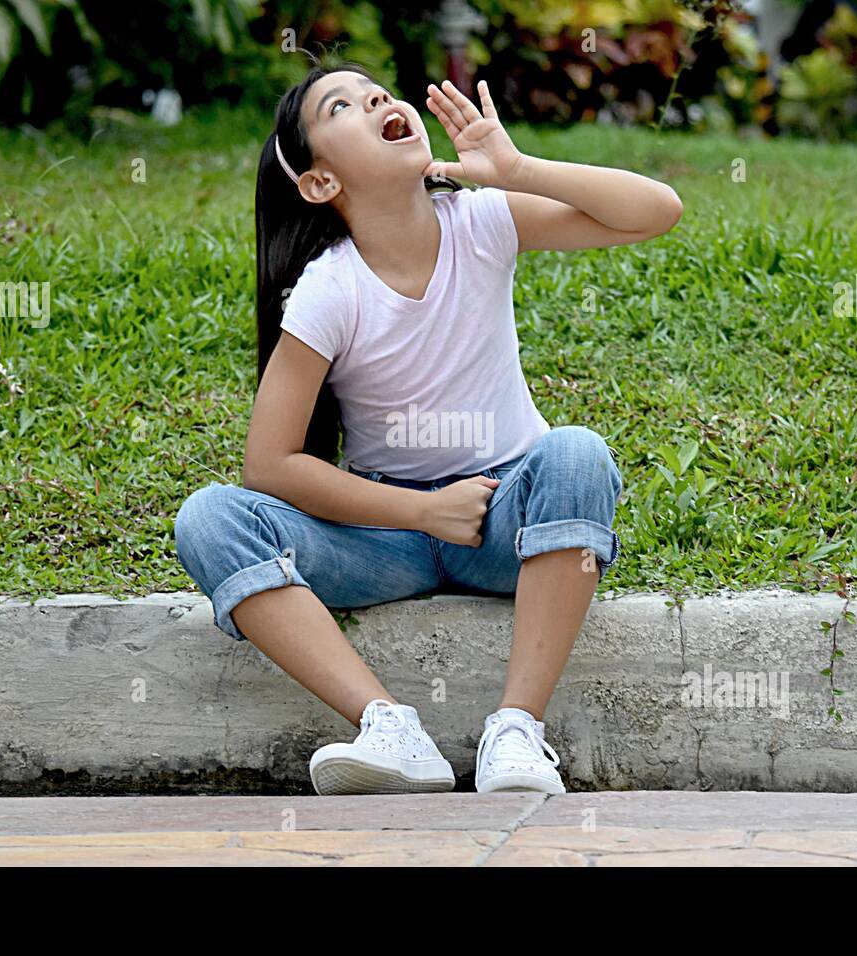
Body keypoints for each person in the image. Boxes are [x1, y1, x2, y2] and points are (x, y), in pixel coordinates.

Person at [174, 57, 682, 795]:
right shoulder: (329, 289)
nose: (375, 97)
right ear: (319, 183)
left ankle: (517, 730)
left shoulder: (482, 220)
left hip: (503, 520)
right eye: (340, 106)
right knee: (210, 518)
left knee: (577, 454)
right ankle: (389, 728)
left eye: (374, 89)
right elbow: (271, 465)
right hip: (387, 538)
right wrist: (422, 512)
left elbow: (656, 211)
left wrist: (516, 169)